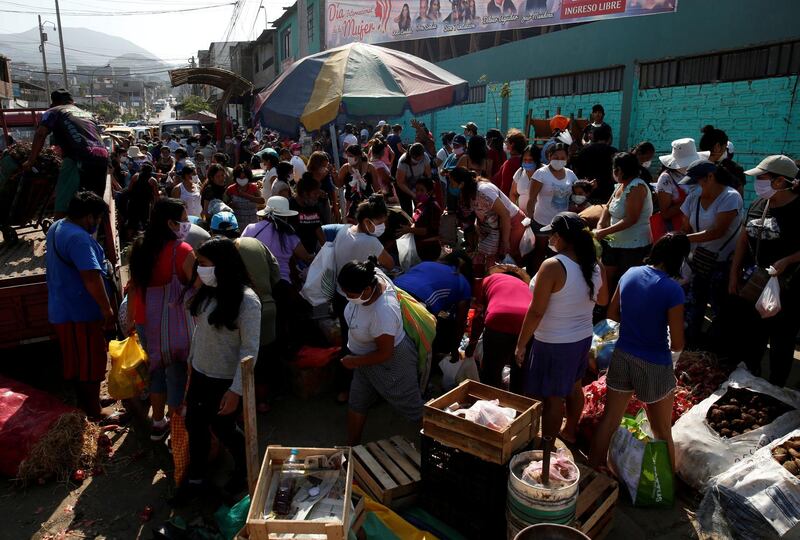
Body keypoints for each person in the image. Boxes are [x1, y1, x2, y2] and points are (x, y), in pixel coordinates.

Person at [589, 233, 689, 472]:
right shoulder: (673, 290)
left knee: (610, 419)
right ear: (679, 259)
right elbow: (676, 343)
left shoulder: (630, 273)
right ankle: (667, 487)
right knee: (662, 429)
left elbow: (612, 315)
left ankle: (591, 470)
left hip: (623, 354)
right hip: (654, 363)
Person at [178, 237, 261, 502]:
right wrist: (191, 365)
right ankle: (197, 478)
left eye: (204, 264)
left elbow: (250, 350)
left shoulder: (248, 302)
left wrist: (236, 390)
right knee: (195, 424)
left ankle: (245, 469)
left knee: (224, 428)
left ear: (222, 265)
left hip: (224, 380)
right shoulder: (209, 291)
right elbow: (200, 332)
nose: (199, 269)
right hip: (201, 373)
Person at [515, 212, 608, 444]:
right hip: (582, 338)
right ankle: (569, 431)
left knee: (552, 399)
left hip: (554, 343)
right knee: (574, 387)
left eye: (553, 236)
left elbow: (536, 311)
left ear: (562, 237)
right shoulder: (595, 266)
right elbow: (603, 301)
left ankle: (545, 448)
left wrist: (521, 344)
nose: (550, 240)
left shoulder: (553, 266)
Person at [727, 155, 800, 386]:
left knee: (781, 341)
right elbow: (744, 237)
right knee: (752, 338)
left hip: (789, 288)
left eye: (762, 177)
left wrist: (788, 260)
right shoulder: (759, 204)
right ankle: (750, 381)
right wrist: (734, 272)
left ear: (780, 181)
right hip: (756, 284)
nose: (757, 182)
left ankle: (775, 388)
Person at [128, 198, 196, 441]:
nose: (187, 224)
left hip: (146, 321)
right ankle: (177, 432)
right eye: (184, 220)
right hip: (174, 323)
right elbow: (196, 286)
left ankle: (158, 423)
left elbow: (133, 287)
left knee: (156, 371)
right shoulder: (183, 251)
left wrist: (130, 321)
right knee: (177, 373)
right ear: (170, 223)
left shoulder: (139, 246)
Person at [338, 257, 424, 445]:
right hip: (362, 359)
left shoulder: (383, 312)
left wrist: (354, 362)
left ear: (368, 290)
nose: (347, 297)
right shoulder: (372, 275)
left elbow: (385, 353)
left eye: (350, 293)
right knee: (357, 401)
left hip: (391, 363)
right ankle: (352, 447)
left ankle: (435, 441)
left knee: (411, 407)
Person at [46, 191, 113, 418]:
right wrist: (107, 309)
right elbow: (91, 278)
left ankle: (88, 402)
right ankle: (95, 411)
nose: (96, 224)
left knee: (77, 362)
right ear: (88, 217)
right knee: (91, 362)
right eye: (97, 218)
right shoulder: (79, 238)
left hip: (63, 307)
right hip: (80, 311)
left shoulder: (58, 227)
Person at [331, 195, 395, 402]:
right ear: (368, 221)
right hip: (357, 297)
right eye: (380, 222)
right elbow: (391, 263)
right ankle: (356, 390)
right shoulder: (370, 241)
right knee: (363, 344)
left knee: (348, 341)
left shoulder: (343, 230)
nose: (382, 226)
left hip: (340, 295)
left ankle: (343, 388)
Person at [679, 160, 743, 345]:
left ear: (710, 177)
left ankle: (718, 349)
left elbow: (717, 231)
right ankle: (691, 344)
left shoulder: (730, 197)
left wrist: (683, 240)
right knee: (694, 305)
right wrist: (681, 238)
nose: (693, 187)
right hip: (698, 261)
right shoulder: (692, 198)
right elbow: (685, 227)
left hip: (723, 263)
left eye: (697, 182)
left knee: (719, 308)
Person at [23, 90, 110, 217]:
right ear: (72, 102)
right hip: (102, 157)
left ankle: (60, 226)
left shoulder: (53, 111)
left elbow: (41, 133)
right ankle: (95, 228)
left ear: (54, 102)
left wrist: (31, 161)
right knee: (94, 202)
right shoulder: (87, 114)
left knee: (64, 200)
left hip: (78, 157)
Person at [394, 251, 473, 359]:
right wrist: (454, 349)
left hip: (392, 290)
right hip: (416, 302)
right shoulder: (462, 282)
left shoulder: (425, 264)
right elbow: (460, 323)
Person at [467, 265, 532, 391]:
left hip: (498, 319)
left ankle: (490, 403)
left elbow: (479, 317)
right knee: (519, 373)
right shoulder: (525, 286)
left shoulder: (488, 280)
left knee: (491, 373)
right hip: (527, 323)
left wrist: (472, 343)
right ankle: (517, 407)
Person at [595, 152, 654, 292]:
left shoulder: (637, 187)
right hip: (613, 242)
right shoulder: (619, 186)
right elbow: (607, 207)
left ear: (619, 170)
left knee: (626, 282)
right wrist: (600, 225)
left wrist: (604, 232)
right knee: (607, 276)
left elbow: (631, 219)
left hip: (633, 246)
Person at [449, 166, 526, 268]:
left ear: (462, 184)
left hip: (512, 224)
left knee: (508, 260)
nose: (451, 186)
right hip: (497, 226)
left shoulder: (483, 191)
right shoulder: (469, 192)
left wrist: (505, 241)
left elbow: (505, 214)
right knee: (494, 261)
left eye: (452, 183)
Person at [242, 196, 312, 284]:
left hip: (254, 280)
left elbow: (241, 248)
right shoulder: (289, 234)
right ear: (285, 216)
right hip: (281, 281)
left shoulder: (250, 228)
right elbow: (306, 257)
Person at [652, 138, 700, 241]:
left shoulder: (699, 174)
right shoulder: (666, 178)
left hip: (698, 230)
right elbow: (665, 213)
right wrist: (690, 199)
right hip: (676, 233)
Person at [398, 176, 442, 261]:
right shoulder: (420, 205)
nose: (418, 193)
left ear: (429, 192)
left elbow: (428, 231)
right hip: (418, 246)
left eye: (422, 190)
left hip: (429, 249)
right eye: (417, 190)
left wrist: (408, 230)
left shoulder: (433, 207)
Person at [572, 123, 618, 202]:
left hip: (588, 190)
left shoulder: (584, 151)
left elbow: (577, 171)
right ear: (609, 138)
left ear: (594, 137)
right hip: (608, 192)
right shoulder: (614, 152)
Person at [698, 125, 745, 194]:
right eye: (725, 147)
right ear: (717, 147)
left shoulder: (690, 167)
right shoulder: (722, 173)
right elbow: (738, 195)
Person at [337, 144, 378, 220]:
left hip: (367, 203)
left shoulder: (370, 168)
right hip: (350, 204)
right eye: (347, 156)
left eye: (351, 156)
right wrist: (335, 176)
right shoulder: (345, 168)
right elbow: (339, 185)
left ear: (358, 156)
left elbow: (377, 187)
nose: (349, 158)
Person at [290, 173, 327, 254]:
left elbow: (318, 229)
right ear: (304, 193)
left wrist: (328, 250)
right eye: (315, 194)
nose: (317, 196)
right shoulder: (290, 207)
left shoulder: (313, 206)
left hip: (312, 251)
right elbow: (289, 237)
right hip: (296, 255)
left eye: (318, 193)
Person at [124, 162, 160, 240]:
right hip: (145, 204)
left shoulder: (136, 176)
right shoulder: (152, 180)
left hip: (133, 202)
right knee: (145, 222)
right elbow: (156, 195)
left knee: (131, 221)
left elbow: (129, 188)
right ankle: (143, 240)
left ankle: (128, 239)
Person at [395, 142, 432, 214]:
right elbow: (400, 182)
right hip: (404, 187)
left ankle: (419, 223)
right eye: (415, 160)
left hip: (417, 185)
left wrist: (426, 190)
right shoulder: (403, 161)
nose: (416, 162)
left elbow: (428, 175)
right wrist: (413, 194)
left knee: (421, 210)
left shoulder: (425, 157)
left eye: (419, 160)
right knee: (407, 211)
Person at [226, 164, 265, 229]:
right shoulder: (230, 189)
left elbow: (262, 201)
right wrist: (231, 205)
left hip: (253, 222)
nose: (242, 180)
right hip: (237, 223)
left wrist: (246, 195)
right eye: (240, 178)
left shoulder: (253, 188)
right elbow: (225, 203)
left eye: (244, 177)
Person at [493, 129, 527, 197]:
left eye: (506, 142)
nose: (505, 144)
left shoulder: (510, 163)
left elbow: (505, 187)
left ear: (512, 144)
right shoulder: (524, 161)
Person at [509, 144, 541, 216]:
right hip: (522, 218)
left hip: (539, 218)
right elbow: (513, 194)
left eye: (530, 160)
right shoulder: (520, 172)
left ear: (536, 159)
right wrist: (516, 213)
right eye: (525, 159)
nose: (527, 162)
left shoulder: (544, 172)